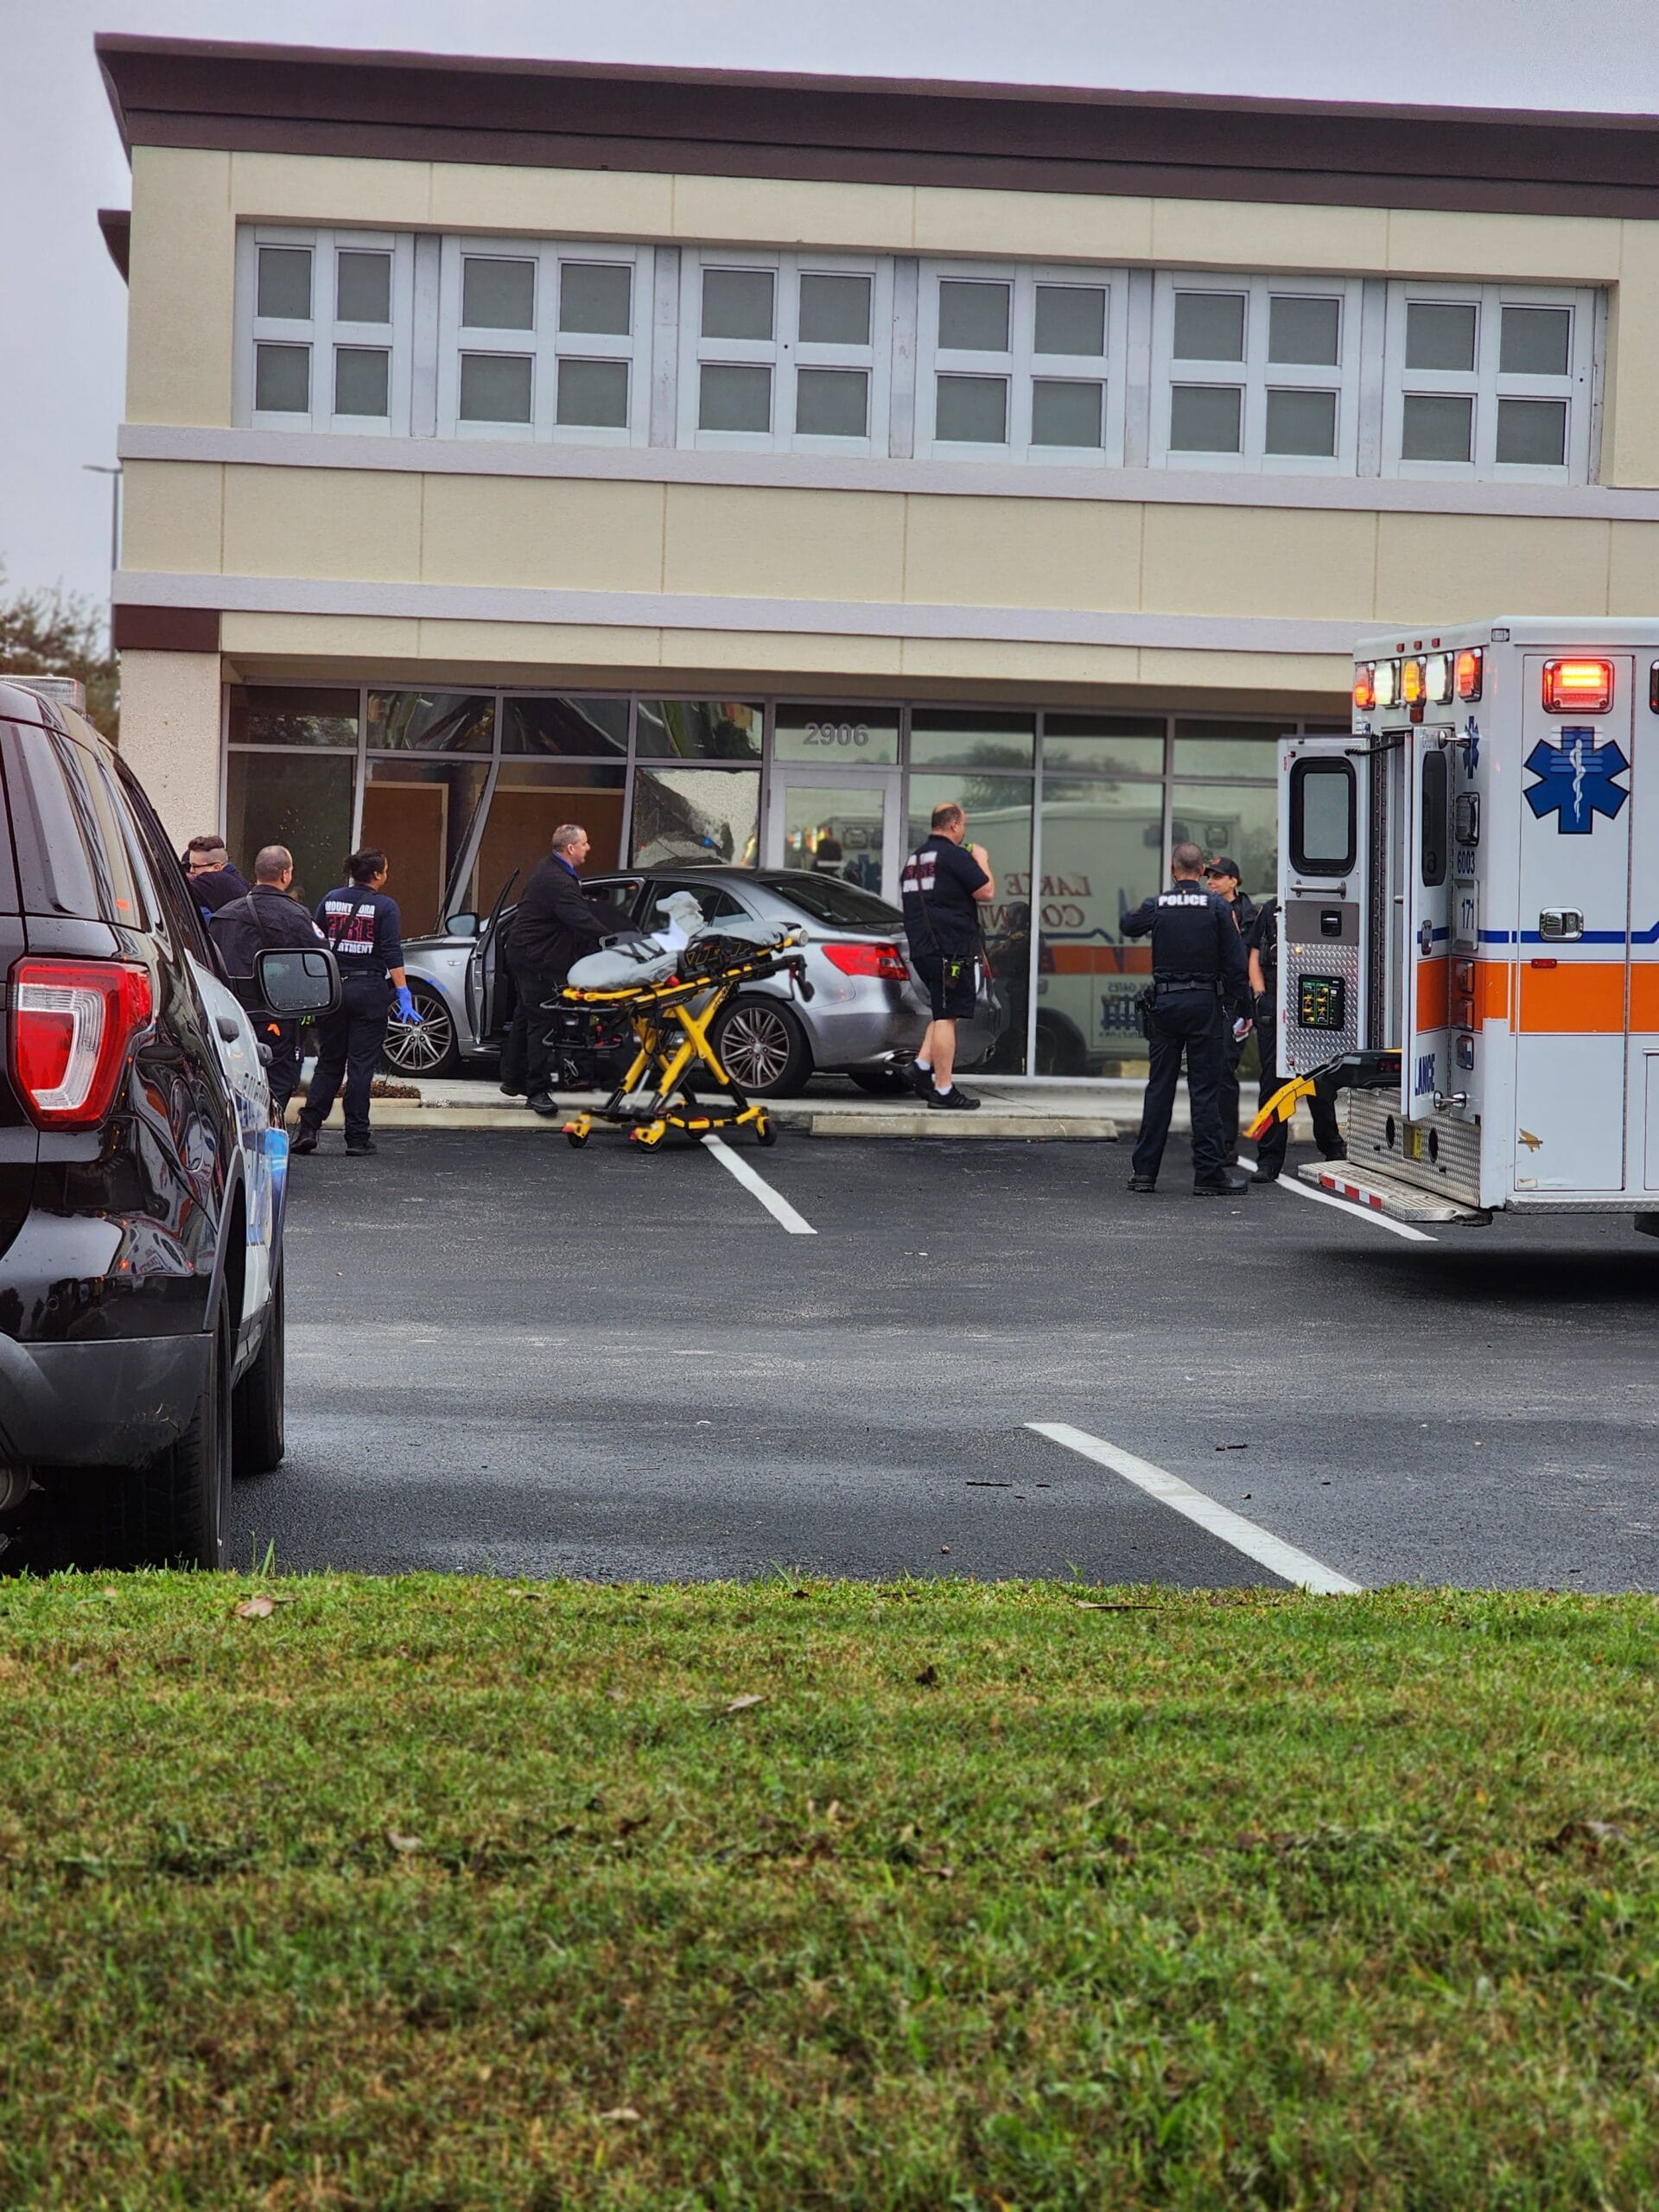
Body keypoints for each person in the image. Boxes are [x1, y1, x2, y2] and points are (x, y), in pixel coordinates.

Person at [1121, 841, 1251, 1196]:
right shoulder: (1216, 906)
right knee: (1205, 1091)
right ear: (1200, 872)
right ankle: (1208, 1175)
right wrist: (1244, 1007)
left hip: (1166, 1005)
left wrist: (1145, 904)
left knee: (1159, 1089)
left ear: (1173, 869)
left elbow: (1127, 924)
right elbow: (1236, 961)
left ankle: (1144, 1173)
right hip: (1204, 1005)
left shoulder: (1159, 904)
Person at [291, 849, 414, 1158]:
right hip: (369, 989)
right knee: (360, 1066)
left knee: (330, 1061)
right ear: (375, 874)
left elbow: (316, 940)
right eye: (386, 869)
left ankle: (308, 1128)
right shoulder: (385, 907)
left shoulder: (331, 899)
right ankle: (357, 1137)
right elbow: (391, 952)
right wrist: (403, 992)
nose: (388, 874)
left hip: (334, 989)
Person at [207, 843, 325, 1120]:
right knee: (279, 1081)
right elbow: (320, 959)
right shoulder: (296, 916)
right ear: (286, 874)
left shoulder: (224, 915)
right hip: (278, 1017)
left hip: (230, 1015)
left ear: (256, 873)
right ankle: (265, 1131)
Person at [507, 824, 609, 1116]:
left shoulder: (550, 870)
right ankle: (537, 1090)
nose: (589, 848)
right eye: (585, 843)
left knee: (525, 1018)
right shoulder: (558, 881)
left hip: (527, 954)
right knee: (541, 1022)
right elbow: (579, 920)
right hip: (538, 959)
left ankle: (514, 1079)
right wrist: (615, 938)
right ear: (571, 849)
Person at [900, 800, 993, 1113]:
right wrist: (981, 860)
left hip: (924, 949)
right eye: (963, 825)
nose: (963, 830)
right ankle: (943, 1089)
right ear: (954, 825)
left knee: (944, 1011)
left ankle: (921, 1065)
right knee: (945, 1017)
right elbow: (986, 892)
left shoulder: (915, 859)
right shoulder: (954, 856)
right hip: (950, 951)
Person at [1246, 896, 1347, 1182]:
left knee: (1319, 1082)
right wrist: (1260, 995)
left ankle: (1332, 1147)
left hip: (1314, 1001)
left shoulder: (1319, 906)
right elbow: (1254, 955)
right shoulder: (1270, 909)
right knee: (1274, 1086)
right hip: (1275, 1006)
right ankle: (1268, 1160)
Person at [1204, 855, 1258, 1159]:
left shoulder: (1250, 914)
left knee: (1225, 1070)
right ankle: (1212, 1138)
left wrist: (1248, 1007)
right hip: (1209, 999)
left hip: (1237, 1002)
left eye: (1218, 876)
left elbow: (1247, 958)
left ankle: (1226, 1143)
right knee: (1210, 1070)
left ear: (1233, 881)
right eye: (1208, 876)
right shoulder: (1206, 908)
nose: (1211, 881)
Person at [181, 835, 249, 926]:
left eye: (195, 866)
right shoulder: (236, 878)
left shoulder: (215, 881)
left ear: (216, 867)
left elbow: (178, 888)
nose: (191, 870)